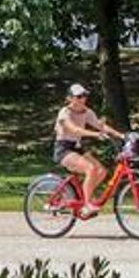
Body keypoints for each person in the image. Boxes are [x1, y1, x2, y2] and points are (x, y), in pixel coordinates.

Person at [51, 82, 123, 217]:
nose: (82, 99)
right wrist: (95, 134)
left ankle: (84, 197)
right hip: (64, 149)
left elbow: (100, 125)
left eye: (84, 96)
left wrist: (121, 135)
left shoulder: (87, 111)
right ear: (70, 98)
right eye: (78, 96)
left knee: (101, 171)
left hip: (77, 148)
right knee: (90, 168)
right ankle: (87, 203)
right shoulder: (64, 113)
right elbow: (74, 129)